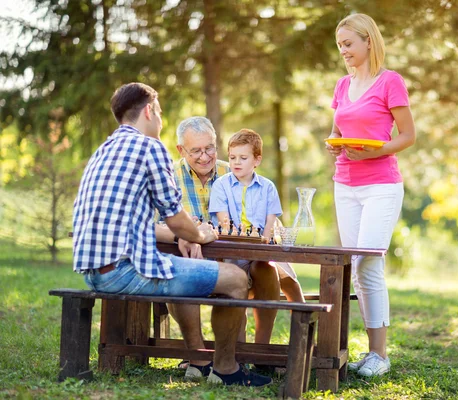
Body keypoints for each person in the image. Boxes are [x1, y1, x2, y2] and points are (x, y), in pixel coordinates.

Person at [72, 82, 271, 387]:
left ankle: (204, 362)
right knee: (234, 278)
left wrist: (184, 233)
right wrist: (200, 234)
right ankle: (226, 369)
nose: (161, 120)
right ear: (149, 110)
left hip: (92, 270)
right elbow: (176, 219)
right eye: (160, 111)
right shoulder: (149, 147)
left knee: (188, 268)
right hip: (126, 270)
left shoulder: (104, 149)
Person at [170, 117, 304, 378]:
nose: (204, 156)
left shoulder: (235, 169)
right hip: (195, 258)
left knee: (265, 269)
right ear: (181, 150)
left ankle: (258, 352)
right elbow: (160, 222)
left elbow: (267, 221)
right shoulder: (169, 178)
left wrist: (267, 236)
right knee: (179, 276)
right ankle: (198, 357)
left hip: (240, 255)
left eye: (209, 148)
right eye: (195, 151)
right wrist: (185, 236)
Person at [325, 14, 416, 377]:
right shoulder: (342, 85)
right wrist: (334, 146)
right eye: (340, 46)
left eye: (348, 43)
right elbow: (337, 130)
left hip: (381, 185)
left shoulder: (390, 82)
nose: (344, 51)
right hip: (345, 184)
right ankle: (368, 351)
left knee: (368, 264)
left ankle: (380, 354)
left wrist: (374, 151)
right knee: (355, 270)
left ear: (368, 42)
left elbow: (408, 136)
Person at [209, 129, 306, 305]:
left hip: (262, 248)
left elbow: (271, 220)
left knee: (290, 283)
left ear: (257, 160)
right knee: (237, 293)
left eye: (243, 158)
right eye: (232, 157)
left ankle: (302, 320)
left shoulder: (267, 187)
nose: (236, 162)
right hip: (233, 250)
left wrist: (265, 239)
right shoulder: (221, 186)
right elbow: (224, 221)